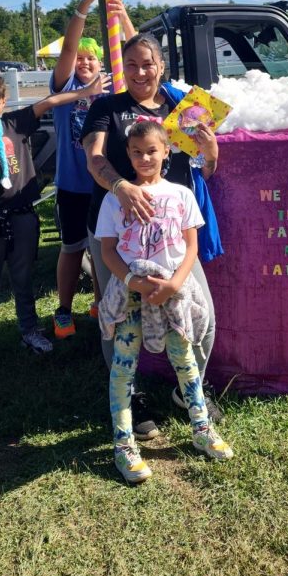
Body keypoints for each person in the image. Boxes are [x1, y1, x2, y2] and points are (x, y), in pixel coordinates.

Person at [82, 32, 222, 438]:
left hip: (172, 236)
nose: (140, 72)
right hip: (116, 233)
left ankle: (188, 389)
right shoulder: (107, 107)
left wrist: (211, 151)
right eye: (132, 65)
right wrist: (119, 186)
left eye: (148, 64)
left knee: (203, 315)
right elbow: (94, 156)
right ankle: (131, 394)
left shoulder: (186, 105)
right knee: (118, 318)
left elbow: (205, 168)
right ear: (122, 69)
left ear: (161, 66)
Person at [95, 121, 233, 483]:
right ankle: (124, 443)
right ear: (127, 154)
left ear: (166, 150)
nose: (144, 158)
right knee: (124, 367)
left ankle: (202, 429)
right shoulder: (114, 200)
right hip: (130, 297)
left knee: (186, 361)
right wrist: (132, 281)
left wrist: (173, 283)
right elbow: (108, 251)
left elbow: (190, 247)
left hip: (173, 296)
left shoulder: (182, 195)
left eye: (151, 151)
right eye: (137, 152)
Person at [0, 70, 84, 370]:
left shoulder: (15, 124)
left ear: (4, 102)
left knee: (23, 278)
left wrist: (83, 93)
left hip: (22, 215)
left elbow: (49, 103)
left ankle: (29, 330)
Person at [50, 0, 136, 339]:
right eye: (79, 58)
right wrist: (85, 4)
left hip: (107, 186)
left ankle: (102, 305)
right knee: (72, 248)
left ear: (102, 64)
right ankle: (64, 309)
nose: (83, 62)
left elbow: (140, 57)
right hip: (72, 185)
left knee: (105, 249)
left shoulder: (113, 94)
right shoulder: (65, 88)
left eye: (91, 58)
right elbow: (67, 49)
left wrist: (122, 15)